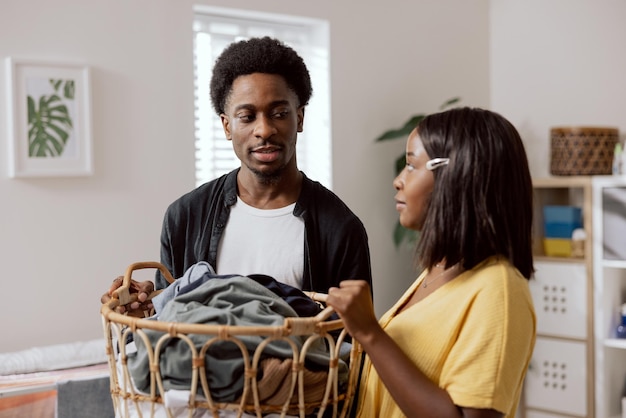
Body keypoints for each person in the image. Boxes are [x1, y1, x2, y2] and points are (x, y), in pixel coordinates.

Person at [102, 36, 372, 313]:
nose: (264, 130)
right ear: (227, 125)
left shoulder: (340, 228)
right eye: (247, 116)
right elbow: (166, 322)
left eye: (279, 113)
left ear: (299, 118)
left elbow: (354, 343)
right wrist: (143, 307)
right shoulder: (184, 216)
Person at [327, 107, 536, 418]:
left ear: (457, 175)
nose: (398, 181)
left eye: (411, 165)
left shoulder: (500, 292)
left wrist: (370, 333)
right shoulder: (438, 272)